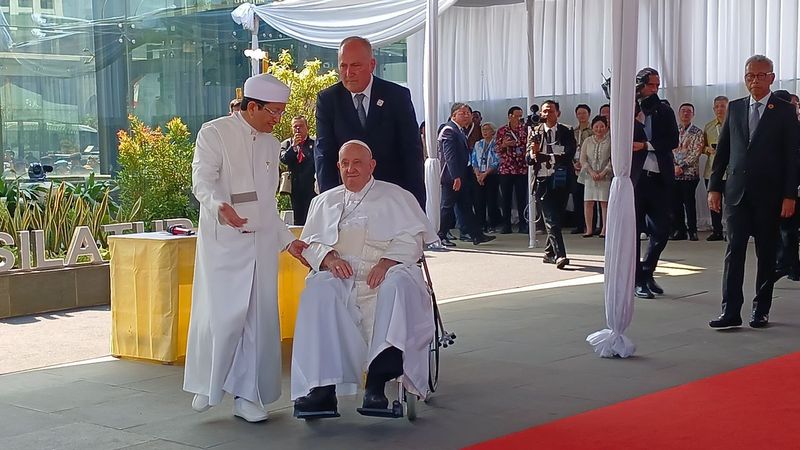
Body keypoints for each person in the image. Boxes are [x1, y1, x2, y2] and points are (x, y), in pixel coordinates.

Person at [184, 74, 309, 422]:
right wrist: (218, 206)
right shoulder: (214, 132)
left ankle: (248, 397)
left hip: (262, 244)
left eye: (282, 112)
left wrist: (288, 240)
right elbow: (202, 180)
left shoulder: (271, 144)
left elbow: (267, 204)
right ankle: (210, 384)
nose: (278, 120)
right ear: (252, 106)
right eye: (274, 112)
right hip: (224, 242)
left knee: (258, 321)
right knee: (223, 319)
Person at [291, 140, 437, 418]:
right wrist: (329, 259)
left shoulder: (396, 196)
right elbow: (311, 244)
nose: (351, 169)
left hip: (384, 273)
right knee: (318, 289)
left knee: (396, 285)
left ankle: (377, 384)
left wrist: (387, 262)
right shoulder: (323, 201)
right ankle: (322, 390)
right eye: (345, 163)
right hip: (342, 277)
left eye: (357, 163)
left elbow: (413, 239)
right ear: (338, 166)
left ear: (372, 166)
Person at [708, 55, 799, 329]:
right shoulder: (735, 108)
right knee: (733, 251)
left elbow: (792, 157)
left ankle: (761, 309)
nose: (754, 81)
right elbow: (723, 151)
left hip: (769, 195)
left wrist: (789, 195)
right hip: (736, 193)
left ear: (771, 78)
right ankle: (730, 311)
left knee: (766, 253)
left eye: (760, 75)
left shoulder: (784, 111)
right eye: (750, 76)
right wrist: (714, 187)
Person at [315, 36, 425, 208]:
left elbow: (411, 152)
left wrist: (415, 204)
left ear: (372, 65)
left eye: (355, 65)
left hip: (391, 198)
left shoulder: (397, 96)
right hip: (347, 199)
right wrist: (330, 204)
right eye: (343, 66)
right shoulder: (328, 100)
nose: (349, 73)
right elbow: (324, 154)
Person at [631, 67, 679, 299]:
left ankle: (647, 270)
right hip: (636, 179)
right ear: (640, 85)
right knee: (633, 232)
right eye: (651, 85)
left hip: (660, 178)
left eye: (657, 85)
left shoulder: (664, 110)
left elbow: (673, 140)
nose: (654, 89)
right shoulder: (628, 108)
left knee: (662, 230)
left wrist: (646, 146)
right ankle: (637, 280)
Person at [527, 100, 577, 269]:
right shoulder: (535, 131)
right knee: (551, 218)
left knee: (557, 218)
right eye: (544, 111)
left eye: (550, 111)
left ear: (558, 113)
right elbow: (528, 159)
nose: (547, 114)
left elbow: (569, 153)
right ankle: (560, 255)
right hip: (542, 179)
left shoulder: (566, 130)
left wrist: (549, 157)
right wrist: (533, 155)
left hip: (561, 178)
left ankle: (549, 253)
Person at [437, 103, 496, 246]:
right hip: (452, 176)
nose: (466, 116)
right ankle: (441, 236)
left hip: (462, 175)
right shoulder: (449, 130)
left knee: (466, 206)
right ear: (453, 115)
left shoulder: (460, 130)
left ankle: (477, 235)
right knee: (447, 206)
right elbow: (450, 156)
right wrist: (455, 177)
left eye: (468, 113)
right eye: (462, 113)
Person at [773, 90, 800, 282]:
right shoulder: (772, 127)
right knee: (783, 230)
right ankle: (787, 265)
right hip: (776, 186)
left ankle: (789, 266)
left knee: (788, 230)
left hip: (793, 187)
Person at [670, 103, 704, 242]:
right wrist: (674, 166)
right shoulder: (673, 130)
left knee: (689, 203)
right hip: (674, 173)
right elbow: (669, 149)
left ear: (693, 114)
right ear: (679, 114)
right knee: (676, 203)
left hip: (690, 173)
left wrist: (682, 166)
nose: (685, 113)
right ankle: (680, 230)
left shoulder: (697, 132)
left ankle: (692, 231)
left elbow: (696, 152)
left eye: (689, 111)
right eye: (683, 111)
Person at [495, 106, 529, 234]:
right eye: (516, 116)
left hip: (521, 168)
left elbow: (530, 146)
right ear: (510, 116)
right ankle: (506, 225)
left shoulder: (525, 130)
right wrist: (504, 145)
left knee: (522, 198)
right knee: (506, 199)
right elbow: (497, 149)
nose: (519, 118)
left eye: (521, 116)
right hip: (506, 169)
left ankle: (523, 224)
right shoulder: (502, 130)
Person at [578, 115, 612, 238]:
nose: (599, 129)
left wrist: (604, 172)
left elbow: (612, 159)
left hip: (605, 176)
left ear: (606, 127)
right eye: (596, 126)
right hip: (589, 176)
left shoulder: (610, 141)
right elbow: (583, 159)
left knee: (604, 203)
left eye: (602, 126)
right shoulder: (587, 141)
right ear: (592, 128)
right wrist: (591, 172)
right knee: (588, 202)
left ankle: (604, 229)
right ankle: (589, 229)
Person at [280, 116, 317, 225]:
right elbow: (284, 159)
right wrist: (293, 147)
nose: (298, 129)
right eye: (295, 126)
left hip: (312, 187)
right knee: (298, 220)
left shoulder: (315, 143)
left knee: (312, 218)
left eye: (300, 126)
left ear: (307, 127)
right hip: (295, 187)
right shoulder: (286, 144)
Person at [702, 96, 729, 241]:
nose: (720, 109)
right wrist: (707, 149)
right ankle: (717, 231)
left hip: (730, 171)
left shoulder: (733, 124)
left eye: (723, 106)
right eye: (717, 106)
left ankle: (730, 231)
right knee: (714, 202)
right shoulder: (709, 127)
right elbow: (702, 146)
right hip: (712, 171)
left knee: (731, 203)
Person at [472, 122, 502, 233]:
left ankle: (492, 224)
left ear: (493, 132)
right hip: (479, 175)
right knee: (479, 201)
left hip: (491, 175)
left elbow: (496, 161)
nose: (484, 131)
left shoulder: (496, 144)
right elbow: (473, 159)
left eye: (487, 129)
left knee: (491, 201)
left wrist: (485, 174)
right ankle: (481, 224)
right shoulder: (478, 144)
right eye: (483, 129)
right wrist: (478, 174)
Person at [571, 104, 594, 235]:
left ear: (589, 114)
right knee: (577, 196)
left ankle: (591, 225)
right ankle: (579, 225)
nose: (581, 116)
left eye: (584, 113)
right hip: (576, 166)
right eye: (579, 113)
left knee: (591, 198)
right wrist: (574, 163)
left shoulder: (593, 130)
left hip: (590, 167)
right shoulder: (573, 131)